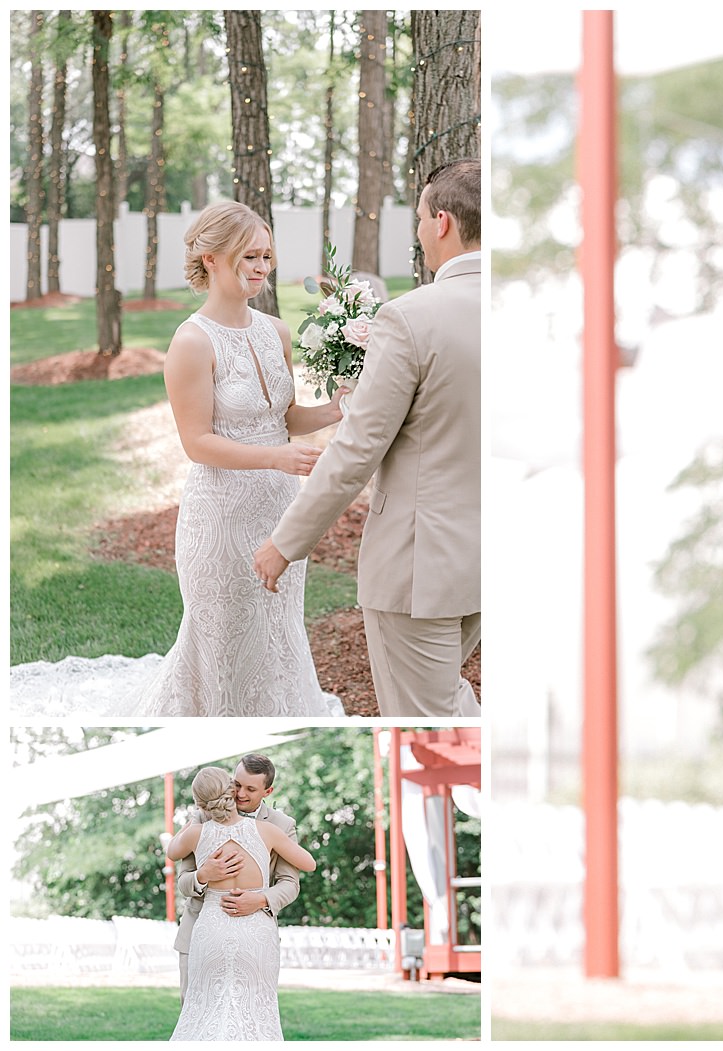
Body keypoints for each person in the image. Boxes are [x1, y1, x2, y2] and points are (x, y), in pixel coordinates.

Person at [256, 159, 483, 717]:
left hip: (419, 566)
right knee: (444, 703)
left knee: (427, 721)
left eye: (423, 218)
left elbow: (358, 449)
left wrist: (285, 544)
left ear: (444, 223)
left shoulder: (411, 318)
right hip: (487, 558)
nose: (422, 232)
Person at [135, 201, 345, 716]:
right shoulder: (190, 341)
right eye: (249, 255)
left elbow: (284, 415)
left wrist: (335, 410)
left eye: (267, 256)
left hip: (280, 510)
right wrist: (275, 458)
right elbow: (196, 442)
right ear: (209, 257)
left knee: (277, 633)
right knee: (226, 644)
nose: (262, 267)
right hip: (221, 517)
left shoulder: (275, 331)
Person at [165, 761, 317, 1041]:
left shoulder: (277, 824)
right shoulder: (266, 832)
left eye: (250, 788)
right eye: (237, 785)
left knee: (205, 1018)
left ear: (267, 790)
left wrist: (260, 899)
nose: (241, 793)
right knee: (244, 1012)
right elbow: (309, 863)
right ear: (228, 786)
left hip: (224, 925)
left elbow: (290, 884)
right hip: (227, 931)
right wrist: (202, 875)